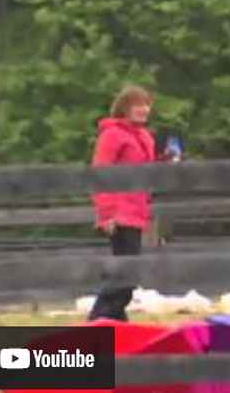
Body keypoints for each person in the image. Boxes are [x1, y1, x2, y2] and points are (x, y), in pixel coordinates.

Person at [87, 84, 161, 321]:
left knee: (126, 276)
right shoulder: (112, 135)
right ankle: (99, 321)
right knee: (124, 277)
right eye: (138, 105)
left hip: (136, 211)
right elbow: (100, 174)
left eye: (147, 104)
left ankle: (113, 324)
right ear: (125, 108)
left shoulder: (145, 137)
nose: (144, 109)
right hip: (119, 212)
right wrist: (107, 213)